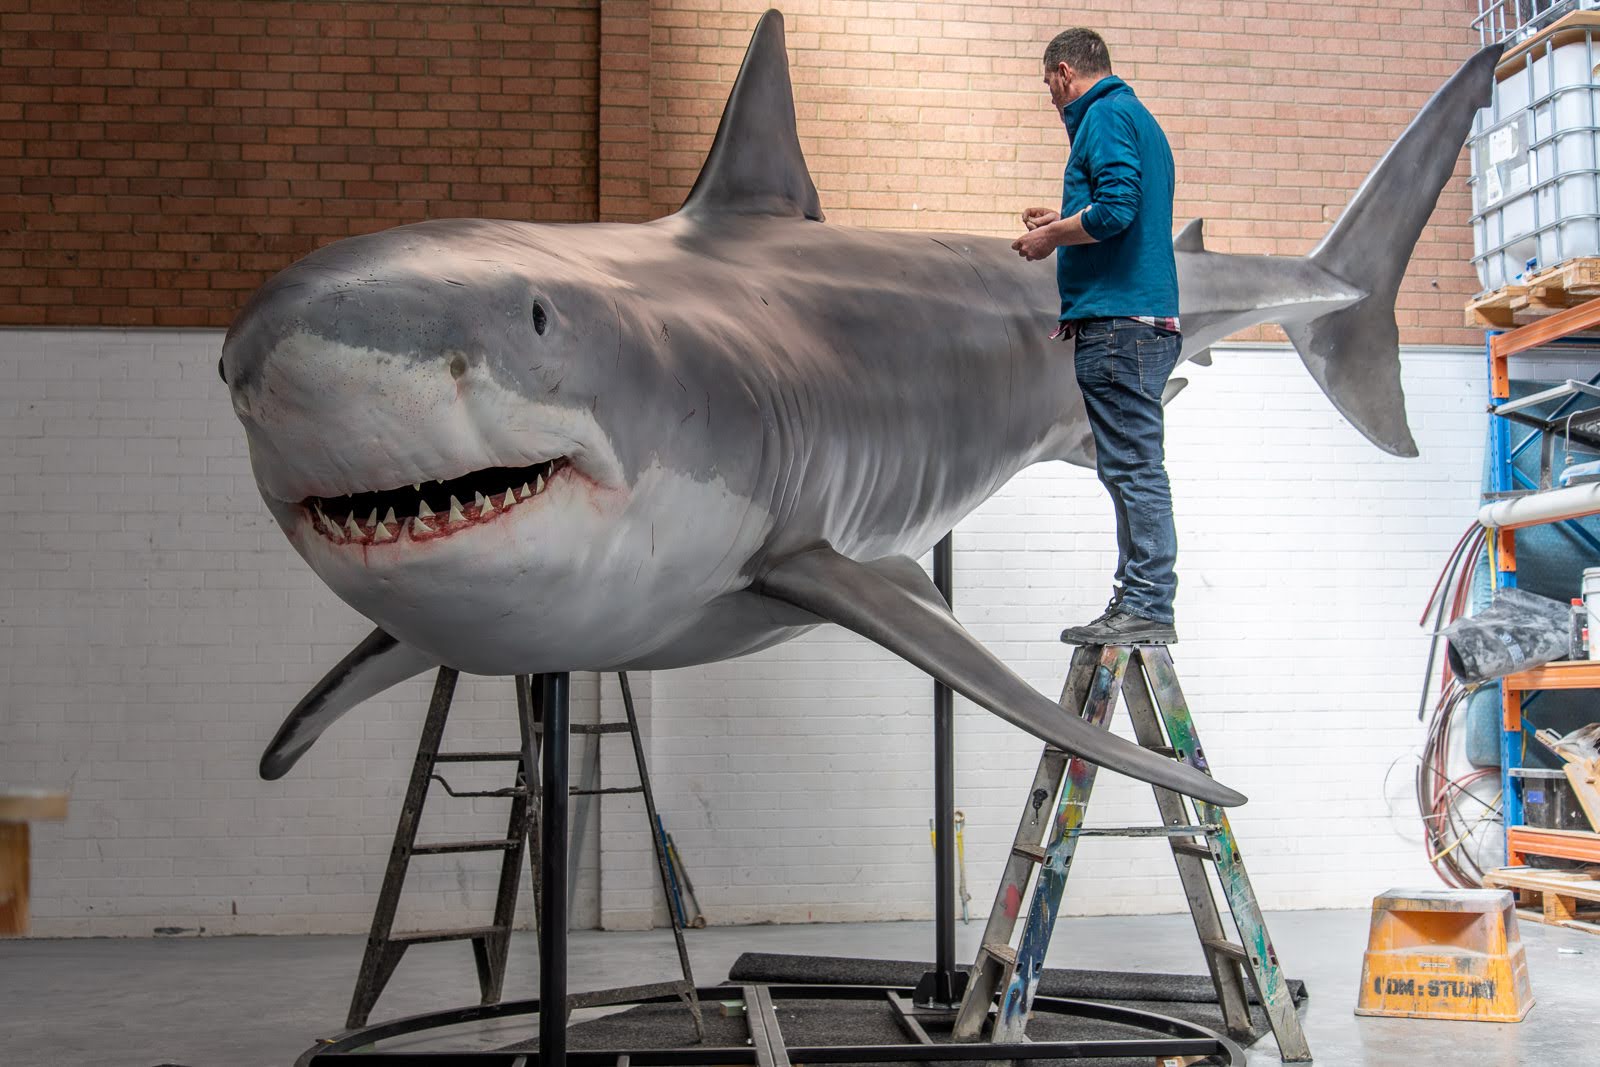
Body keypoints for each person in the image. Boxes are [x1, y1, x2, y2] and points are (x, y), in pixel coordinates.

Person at [1011, 28, 1181, 646]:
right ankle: (1139, 597)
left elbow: (1116, 212)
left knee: (1133, 469)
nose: (1050, 100)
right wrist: (1061, 221)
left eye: (1048, 88)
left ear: (1063, 73)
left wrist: (1049, 239)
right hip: (1141, 319)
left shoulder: (1103, 116)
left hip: (1119, 325)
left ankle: (1145, 602)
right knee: (1131, 468)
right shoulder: (1139, 119)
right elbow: (1119, 212)